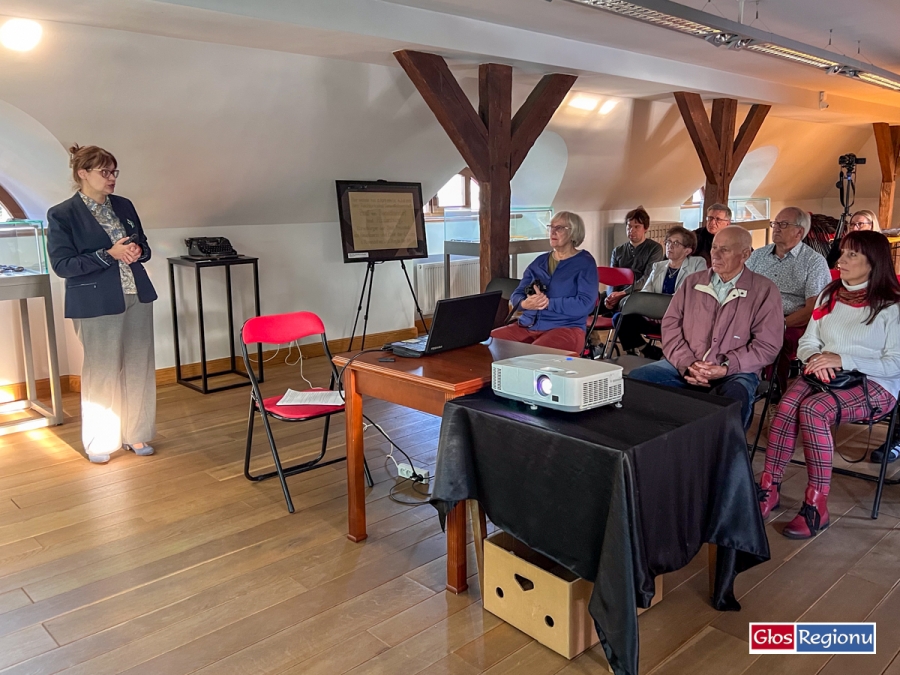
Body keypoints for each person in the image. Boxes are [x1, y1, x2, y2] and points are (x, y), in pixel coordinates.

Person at [758, 231, 900, 538]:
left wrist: (842, 359)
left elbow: (895, 363)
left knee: (813, 410)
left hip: (876, 383)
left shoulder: (891, 305)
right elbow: (808, 340)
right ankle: (769, 487)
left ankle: (816, 504)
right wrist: (817, 359)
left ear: (873, 263)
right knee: (786, 406)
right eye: (843, 252)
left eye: (852, 255)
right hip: (826, 371)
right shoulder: (829, 295)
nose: (840, 260)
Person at [47, 145, 158, 464]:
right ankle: (100, 441)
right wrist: (107, 254)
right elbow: (63, 265)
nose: (111, 178)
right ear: (83, 173)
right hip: (94, 299)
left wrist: (137, 251)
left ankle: (136, 434)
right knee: (102, 371)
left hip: (136, 292)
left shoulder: (124, 205)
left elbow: (144, 245)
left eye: (114, 172)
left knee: (139, 365)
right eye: (104, 172)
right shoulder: (62, 213)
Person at [628, 226, 783, 430]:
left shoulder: (764, 290)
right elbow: (671, 325)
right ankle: (656, 445)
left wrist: (726, 367)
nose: (716, 255)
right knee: (638, 381)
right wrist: (688, 363)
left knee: (735, 399)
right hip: (685, 363)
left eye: (725, 250)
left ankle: (722, 458)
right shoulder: (693, 282)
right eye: (714, 247)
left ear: (745, 254)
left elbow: (767, 345)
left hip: (735, 371)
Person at [746, 207, 831, 395]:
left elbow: (813, 309)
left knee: (776, 339)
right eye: (775, 223)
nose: (776, 228)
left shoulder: (813, 262)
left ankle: (774, 390)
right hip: (754, 314)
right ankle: (737, 380)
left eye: (783, 224)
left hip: (792, 320)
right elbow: (742, 289)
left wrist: (779, 323)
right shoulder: (758, 256)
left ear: (799, 232)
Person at [491, 211, 597, 353]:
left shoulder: (585, 263)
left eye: (559, 228)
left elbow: (585, 304)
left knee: (533, 356)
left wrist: (548, 303)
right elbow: (517, 294)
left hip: (566, 328)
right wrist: (524, 304)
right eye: (551, 227)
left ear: (574, 232)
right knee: (487, 343)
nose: (553, 231)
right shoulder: (539, 262)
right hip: (528, 326)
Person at [616, 226, 706, 357]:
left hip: (679, 319)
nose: (670, 246)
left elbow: (693, 292)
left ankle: (677, 357)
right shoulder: (658, 266)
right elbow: (646, 293)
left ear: (687, 250)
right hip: (654, 317)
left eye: (676, 243)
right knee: (620, 318)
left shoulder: (697, 264)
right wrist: (651, 310)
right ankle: (647, 350)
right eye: (668, 241)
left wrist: (664, 311)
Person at [601, 206, 664, 314]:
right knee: (593, 300)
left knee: (626, 304)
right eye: (629, 226)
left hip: (639, 292)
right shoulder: (618, 250)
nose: (632, 230)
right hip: (618, 292)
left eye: (636, 227)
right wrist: (610, 296)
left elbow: (648, 278)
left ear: (646, 228)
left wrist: (623, 293)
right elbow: (612, 278)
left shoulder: (655, 248)